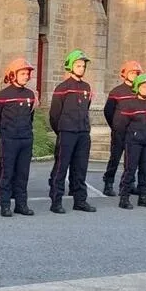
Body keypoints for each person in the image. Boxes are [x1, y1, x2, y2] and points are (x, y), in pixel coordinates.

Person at [48, 50, 96, 214]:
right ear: (70, 66)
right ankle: (56, 201)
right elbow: (54, 114)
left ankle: (80, 200)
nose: (81, 68)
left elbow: (86, 108)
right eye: (78, 65)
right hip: (67, 132)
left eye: (83, 66)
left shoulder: (87, 87)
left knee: (80, 168)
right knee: (61, 168)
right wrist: (61, 130)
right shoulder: (62, 88)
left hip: (83, 132)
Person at [0, 59, 36, 218]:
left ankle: (21, 204)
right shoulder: (2, 96)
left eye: (27, 74)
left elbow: (30, 117)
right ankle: (5, 205)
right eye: (22, 73)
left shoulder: (30, 95)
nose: (26, 76)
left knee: (23, 174)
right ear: (13, 75)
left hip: (25, 139)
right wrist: (4, 134)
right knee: (7, 173)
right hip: (8, 140)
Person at [114, 74, 146, 210]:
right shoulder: (129, 105)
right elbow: (120, 125)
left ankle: (143, 197)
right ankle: (124, 197)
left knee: (145, 170)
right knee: (130, 170)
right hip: (133, 143)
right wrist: (127, 139)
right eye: (144, 86)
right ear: (137, 88)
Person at [102, 61, 143, 196]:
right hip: (120, 132)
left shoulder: (140, 91)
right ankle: (108, 183)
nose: (134, 75)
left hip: (135, 133)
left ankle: (129, 184)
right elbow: (108, 111)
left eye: (137, 73)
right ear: (125, 74)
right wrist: (115, 126)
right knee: (115, 158)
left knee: (132, 160)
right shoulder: (117, 92)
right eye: (132, 73)